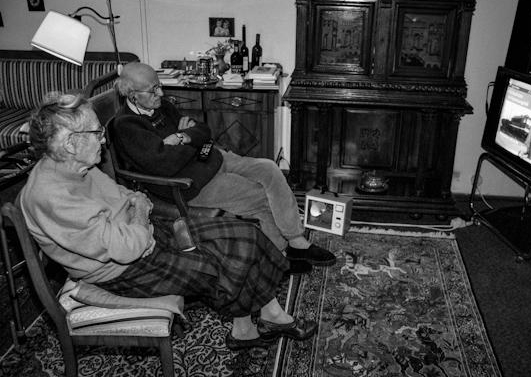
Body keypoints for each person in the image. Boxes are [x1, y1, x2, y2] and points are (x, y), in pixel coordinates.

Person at [19, 93, 318, 350]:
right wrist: (139, 209)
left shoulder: (78, 165)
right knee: (227, 263)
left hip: (143, 233)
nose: (103, 140)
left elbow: (122, 194)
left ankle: (256, 323)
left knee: (246, 236)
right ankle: (260, 324)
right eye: (97, 133)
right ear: (71, 143)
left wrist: (137, 206)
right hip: (124, 270)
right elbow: (128, 247)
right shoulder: (53, 196)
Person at [112, 62, 335, 271]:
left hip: (211, 159)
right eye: (153, 90)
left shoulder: (163, 107)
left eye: (159, 86)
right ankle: (279, 257)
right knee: (259, 196)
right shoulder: (127, 126)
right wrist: (190, 139)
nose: (160, 93)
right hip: (191, 184)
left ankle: (296, 240)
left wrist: (179, 138)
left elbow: (202, 130)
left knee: (270, 169)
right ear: (133, 95)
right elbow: (166, 165)